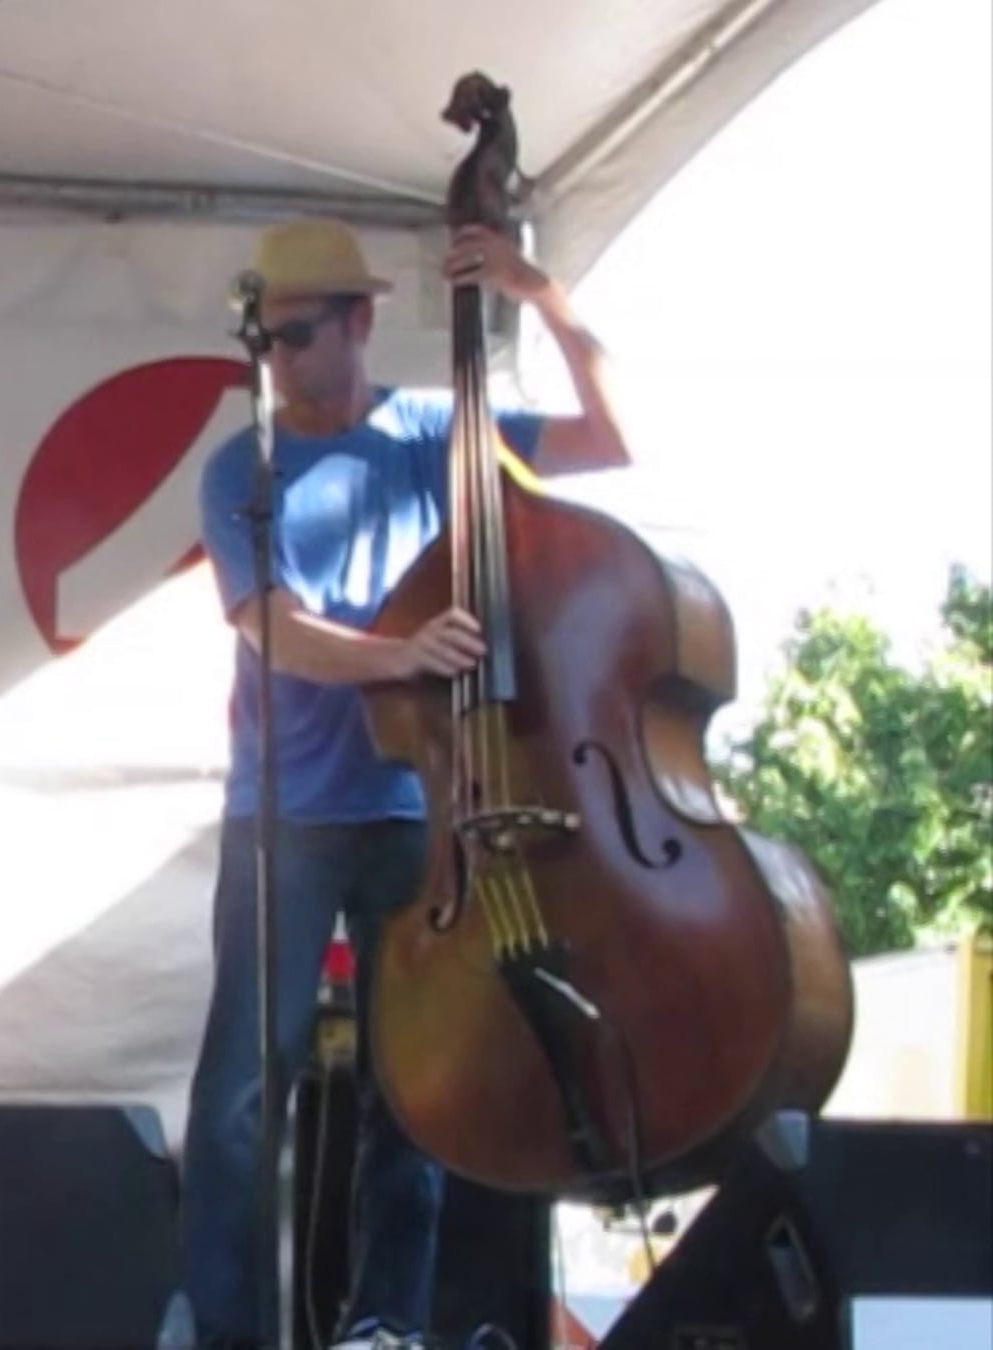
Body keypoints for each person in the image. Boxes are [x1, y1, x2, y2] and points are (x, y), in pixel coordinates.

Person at [182, 219, 632, 1350]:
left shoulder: (437, 431)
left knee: (411, 1090)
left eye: (298, 336)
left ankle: (386, 1325)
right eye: (268, 340)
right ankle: (229, 1330)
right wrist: (402, 655)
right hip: (282, 818)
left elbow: (610, 437)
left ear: (360, 322)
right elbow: (272, 630)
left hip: (417, 812)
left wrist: (540, 292)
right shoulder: (242, 469)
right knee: (242, 1092)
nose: (279, 361)